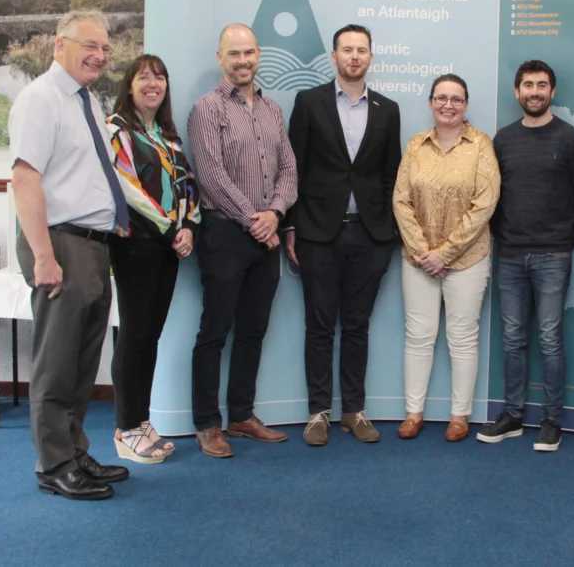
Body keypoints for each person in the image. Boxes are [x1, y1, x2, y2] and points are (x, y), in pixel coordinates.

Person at [9, 10, 131, 500]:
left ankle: (75, 451)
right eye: (89, 45)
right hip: (60, 242)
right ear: (60, 45)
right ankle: (54, 463)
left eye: (105, 48)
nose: (99, 56)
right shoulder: (41, 99)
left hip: (92, 245)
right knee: (57, 361)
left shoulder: (85, 101)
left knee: (82, 361)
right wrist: (43, 255)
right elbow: (24, 177)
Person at [284, 24, 401, 446]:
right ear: (333, 56)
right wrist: (291, 225)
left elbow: (391, 175)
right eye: (347, 50)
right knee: (319, 326)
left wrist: (388, 231)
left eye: (362, 50)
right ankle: (318, 413)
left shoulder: (388, 109)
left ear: (370, 57)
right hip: (317, 232)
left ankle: (354, 410)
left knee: (357, 326)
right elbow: (293, 167)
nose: (355, 56)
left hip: (370, 236)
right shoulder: (308, 101)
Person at [187, 23, 298, 458]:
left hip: (264, 236)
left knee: (254, 330)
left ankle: (241, 415)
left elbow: (289, 168)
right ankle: (207, 423)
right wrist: (256, 220)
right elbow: (211, 177)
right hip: (224, 236)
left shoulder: (273, 108)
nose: (243, 61)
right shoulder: (206, 108)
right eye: (234, 54)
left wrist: (274, 213)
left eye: (249, 52)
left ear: (259, 55)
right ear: (220, 58)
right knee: (215, 330)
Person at [478, 60, 574, 452]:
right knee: (512, 338)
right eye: (527, 85)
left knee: (549, 338)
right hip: (509, 254)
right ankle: (512, 415)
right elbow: (490, 196)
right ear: (517, 92)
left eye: (542, 85)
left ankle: (552, 421)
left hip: (552, 255)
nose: (534, 91)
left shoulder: (570, 138)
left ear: (552, 92)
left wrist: (562, 238)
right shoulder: (502, 140)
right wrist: (503, 235)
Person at [393, 74, 501, 442]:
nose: (448, 105)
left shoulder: (482, 145)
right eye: (441, 98)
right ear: (430, 102)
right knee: (419, 337)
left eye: (456, 99)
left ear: (466, 104)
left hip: (468, 259)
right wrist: (425, 252)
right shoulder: (415, 146)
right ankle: (413, 413)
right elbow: (400, 200)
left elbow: (485, 203)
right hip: (417, 259)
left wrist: (446, 253)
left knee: (462, 338)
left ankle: (459, 416)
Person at [105, 54, 201, 464]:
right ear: (129, 85)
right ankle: (126, 427)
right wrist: (168, 227)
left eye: (159, 78)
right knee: (134, 336)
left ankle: (141, 421)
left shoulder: (167, 136)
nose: (153, 84)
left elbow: (188, 187)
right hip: (135, 245)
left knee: (150, 336)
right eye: (144, 77)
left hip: (168, 247)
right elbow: (124, 186)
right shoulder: (117, 130)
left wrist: (189, 227)